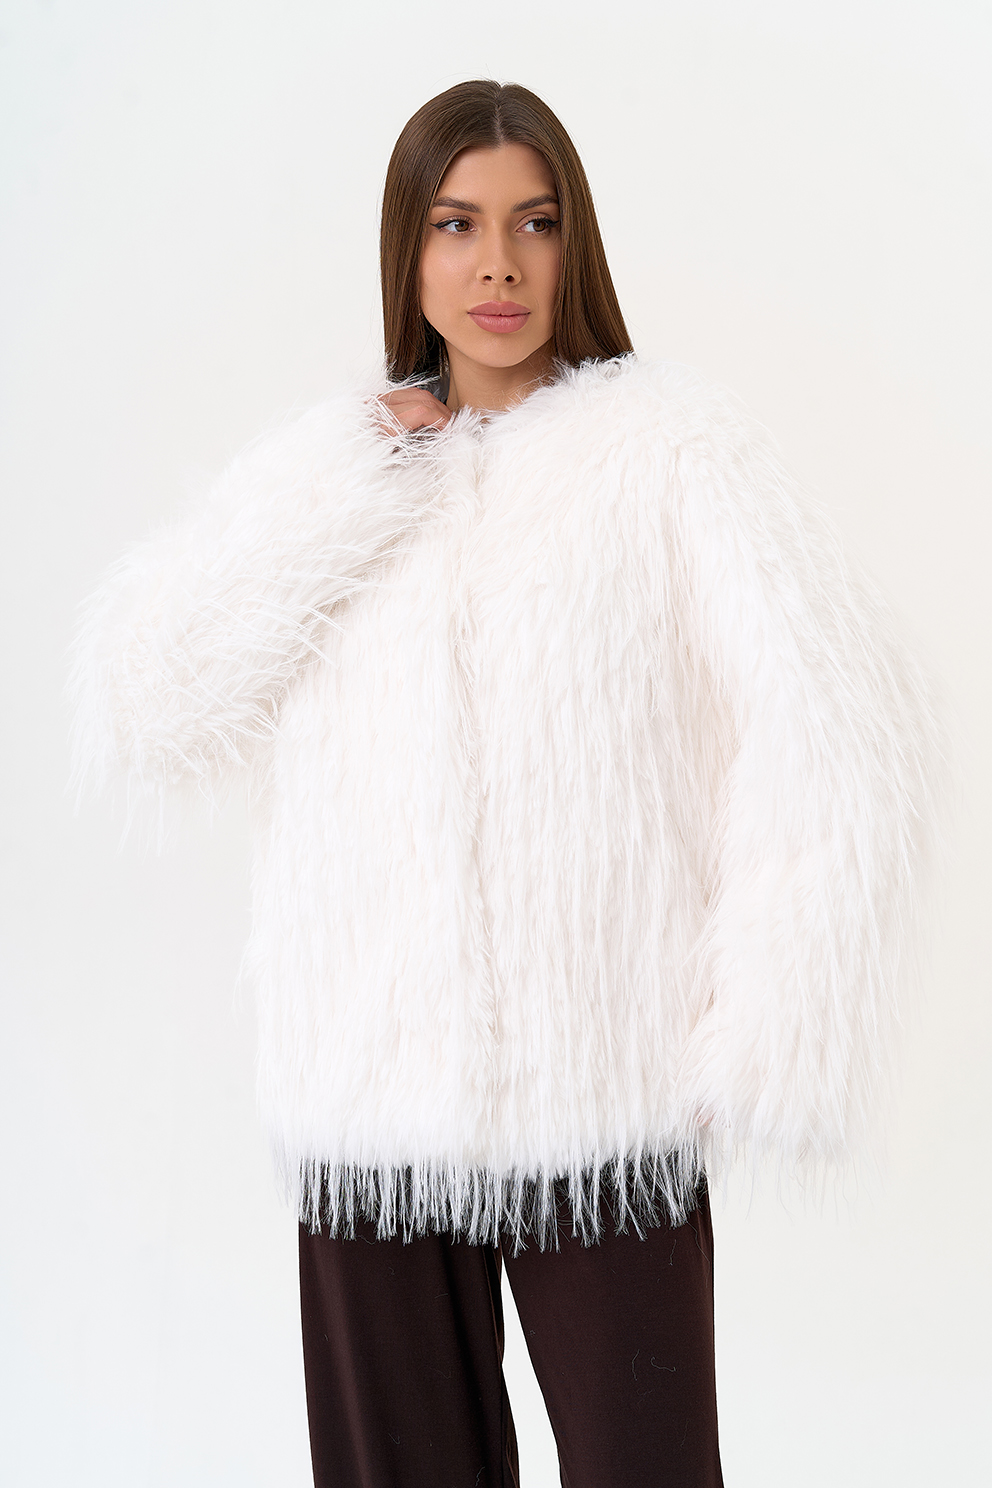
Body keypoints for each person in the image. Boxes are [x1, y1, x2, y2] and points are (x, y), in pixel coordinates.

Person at [70, 79, 940, 1488]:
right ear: (405, 251)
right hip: (370, 1091)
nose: (497, 266)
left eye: (534, 224)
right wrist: (337, 478)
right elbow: (149, 700)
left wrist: (756, 1026)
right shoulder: (347, 474)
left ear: (574, 242)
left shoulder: (669, 453)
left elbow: (843, 717)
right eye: (455, 224)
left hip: (609, 1091)